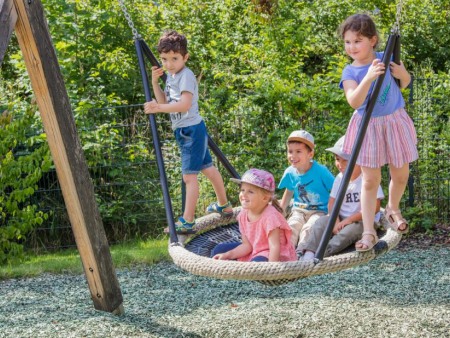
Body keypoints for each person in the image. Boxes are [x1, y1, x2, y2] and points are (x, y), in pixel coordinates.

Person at [339, 14, 418, 251]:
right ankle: (368, 231)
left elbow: (404, 83)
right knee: (371, 180)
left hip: (394, 121)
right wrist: (370, 77)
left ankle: (393, 208)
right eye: (347, 42)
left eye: (357, 41)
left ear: (373, 40)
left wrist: (401, 73)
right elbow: (354, 101)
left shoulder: (387, 57)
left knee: (401, 173)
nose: (351, 47)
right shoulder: (350, 72)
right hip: (368, 126)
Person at [144, 30, 232, 233]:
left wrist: (157, 108)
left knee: (189, 177)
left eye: (174, 58)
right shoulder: (173, 76)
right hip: (187, 131)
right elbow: (164, 102)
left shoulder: (185, 76)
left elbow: (184, 105)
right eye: (165, 59)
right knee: (208, 169)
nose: (169, 64)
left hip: (190, 131)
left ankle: (188, 220)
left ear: (185, 57)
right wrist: (155, 83)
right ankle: (224, 205)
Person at [297, 136, 384, 260]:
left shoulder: (368, 178)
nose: (339, 164)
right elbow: (332, 202)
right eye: (337, 159)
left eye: (345, 161)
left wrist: (347, 221)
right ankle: (308, 252)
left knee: (347, 233)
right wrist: (336, 221)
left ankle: (321, 255)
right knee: (320, 222)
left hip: (363, 221)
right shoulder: (339, 178)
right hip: (341, 218)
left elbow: (375, 207)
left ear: (358, 161)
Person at [211, 168, 297, 262]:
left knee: (256, 265)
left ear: (264, 198)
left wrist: (271, 270)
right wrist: (228, 255)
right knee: (218, 250)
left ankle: (249, 270)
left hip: (272, 254)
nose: (244, 194)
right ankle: (239, 268)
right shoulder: (243, 214)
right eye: (242, 190)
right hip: (255, 249)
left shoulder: (271, 217)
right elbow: (247, 246)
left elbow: (274, 247)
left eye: (250, 191)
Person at [278, 130, 335, 250]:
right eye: (290, 151)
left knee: (309, 228)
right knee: (292, 226)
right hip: (299, 210)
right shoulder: (290, 172)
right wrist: (280, 211)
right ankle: (287, 251)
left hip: (319, 211)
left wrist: (333, 213)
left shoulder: (321, 171)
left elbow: (336, 190)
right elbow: (289, 191)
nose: (293, 156)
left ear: (310, 154)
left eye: (298, 151)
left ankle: (301, 251)